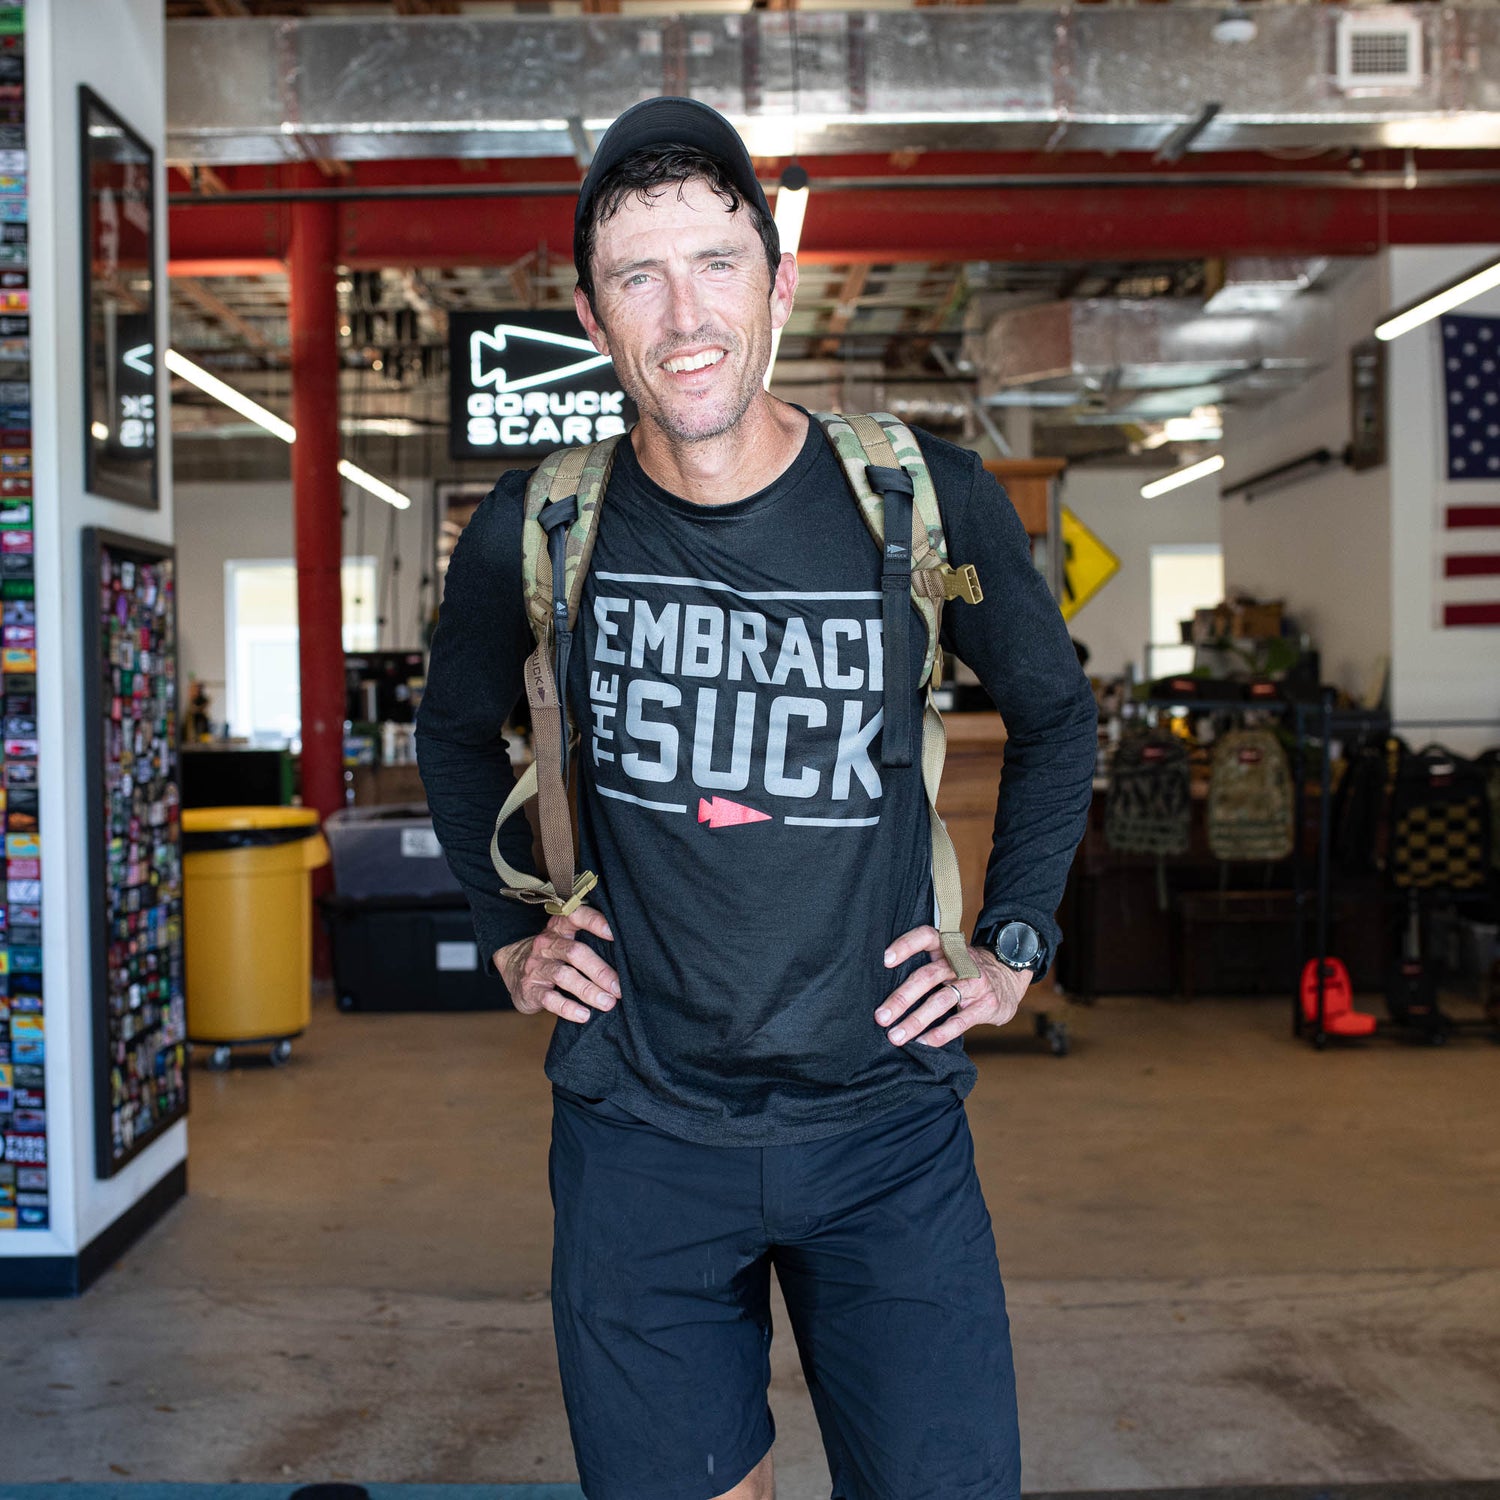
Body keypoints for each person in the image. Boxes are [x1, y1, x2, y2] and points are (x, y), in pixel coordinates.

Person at [417, 96, 1097, 1500]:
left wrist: (1012, 942)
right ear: (595, 316)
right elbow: (449, 723)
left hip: (887, 1130)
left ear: (782, 282)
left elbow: (1057, 715)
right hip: (640, 1132)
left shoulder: (921, 503)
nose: (684, 316)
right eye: (637, 277)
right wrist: (505, 927)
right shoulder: (541, 523)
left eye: (717, 262)